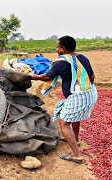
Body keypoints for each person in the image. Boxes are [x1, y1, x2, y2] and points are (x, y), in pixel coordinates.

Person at [31, 36, 98, 164]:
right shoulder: (82, 57)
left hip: (79, 96)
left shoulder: (62, 62)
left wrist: (29, 77)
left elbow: (46, 77)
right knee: (75, 116)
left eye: (57, 47)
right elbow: (92, 75)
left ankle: (76, 155)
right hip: (91, 92)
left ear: (63, 48)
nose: (56, 49)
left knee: (64, 123)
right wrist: (85, 89)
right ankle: (76, 139)